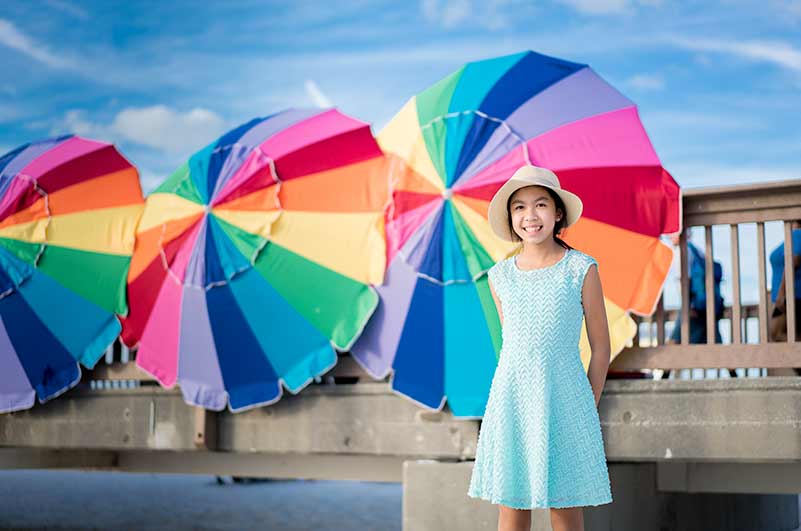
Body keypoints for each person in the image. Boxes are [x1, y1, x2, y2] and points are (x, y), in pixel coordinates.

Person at [467, 165, 612, 531]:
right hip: (512, 400)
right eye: (519, 207)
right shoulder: (499, 277)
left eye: (541, 204)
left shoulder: (581, 269)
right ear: (511, 217)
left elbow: (601, 347)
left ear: (558, 212)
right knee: (511, 510)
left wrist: (585, 403)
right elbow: (512, 347)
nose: (530, 216)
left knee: (565, 509)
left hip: (565, 401)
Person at [664, 231, 729, 377]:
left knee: (674, 340)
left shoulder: (682, 252)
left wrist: (688, 305)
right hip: (706, 306)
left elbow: (684, 281)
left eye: (672, 233)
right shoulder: (696, 251)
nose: (669, 237)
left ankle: (661, 380)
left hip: (692, 306)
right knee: (716, 343)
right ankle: (735, 377)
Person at [767, 220, 801, 375]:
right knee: (792, 337)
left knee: (777, 332)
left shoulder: (797, 235)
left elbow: (793, 262)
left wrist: (781, 295)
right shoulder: (791, 236)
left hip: (791, 298)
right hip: (790, 297)